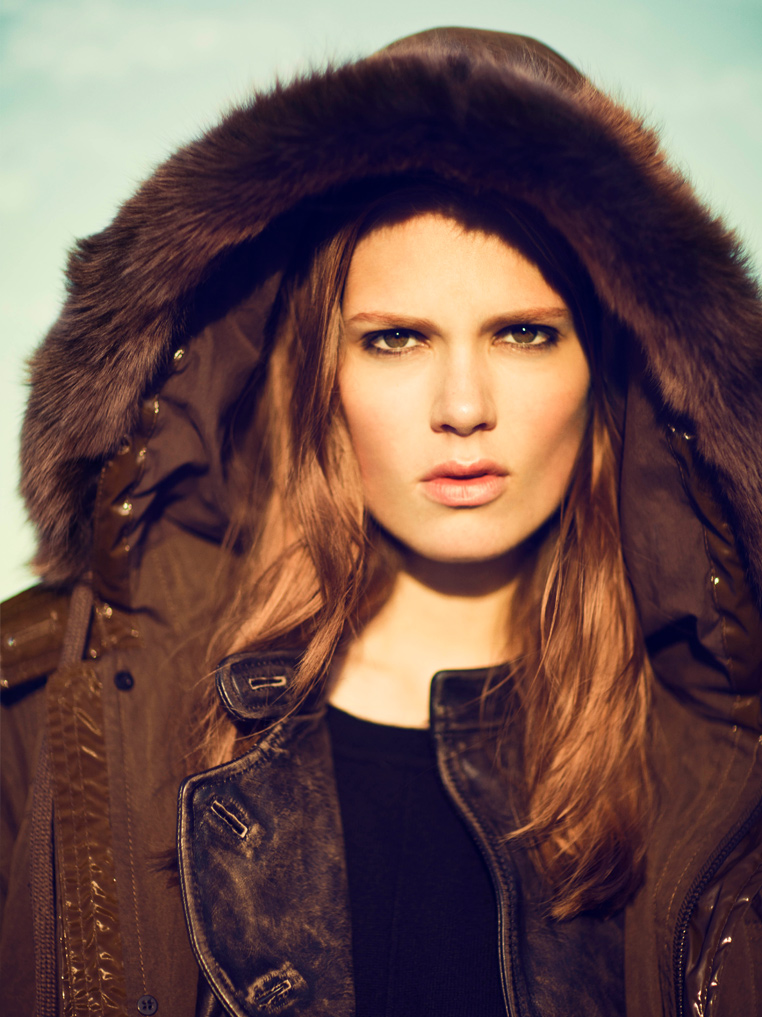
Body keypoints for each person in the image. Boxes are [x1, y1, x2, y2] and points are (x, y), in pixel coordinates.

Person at [1, 25, 761, 1017]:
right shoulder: (54, 715)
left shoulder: (724, 759)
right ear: (318, 370)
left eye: (524, 333)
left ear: (609, 370)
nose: (463, 406)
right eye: (397, 339)